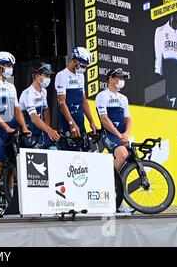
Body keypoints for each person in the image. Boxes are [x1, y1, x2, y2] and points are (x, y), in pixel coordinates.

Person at [0, 51, 31, 217]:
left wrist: (24, 127)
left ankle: (11, 203)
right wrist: (5, 127)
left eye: (12, 66)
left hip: (12, 128)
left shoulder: (11, 87)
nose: (10, 69)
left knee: (12, 168)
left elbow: (17, 110)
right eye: (8, 65)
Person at [95, 68, 134, 214]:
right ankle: (106, 180)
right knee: (122, 154)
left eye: (123, 78)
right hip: (108, 134)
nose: (122, 80)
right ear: (111, 79)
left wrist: (126, 134)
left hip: (120, 135)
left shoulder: (123, 98)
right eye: (119, 77)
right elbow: (104, 119)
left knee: (125, 163)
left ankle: (118, 199)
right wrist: (118, 134)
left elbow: (128, 119)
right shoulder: (102, 96)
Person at [55, 47, 98, 150]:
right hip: (67, 124)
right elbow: (62, 103)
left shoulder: (80, 76)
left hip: (80, 123)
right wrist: (71, 124)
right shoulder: (61, 75)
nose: (85, 68)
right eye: (83, 66)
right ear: (74, 61)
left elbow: (83, 100)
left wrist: (91, 121)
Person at [19, 62, 60, 148]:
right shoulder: (27, 93)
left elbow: (46, 110)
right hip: (27, 135)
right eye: (46, 75)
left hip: (39, 132)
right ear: (37, 76)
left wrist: (46, 129)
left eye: (49, 76)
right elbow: (34, 118)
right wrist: (49, 130)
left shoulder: (44, 91)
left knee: (55, 147)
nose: (49, 78)